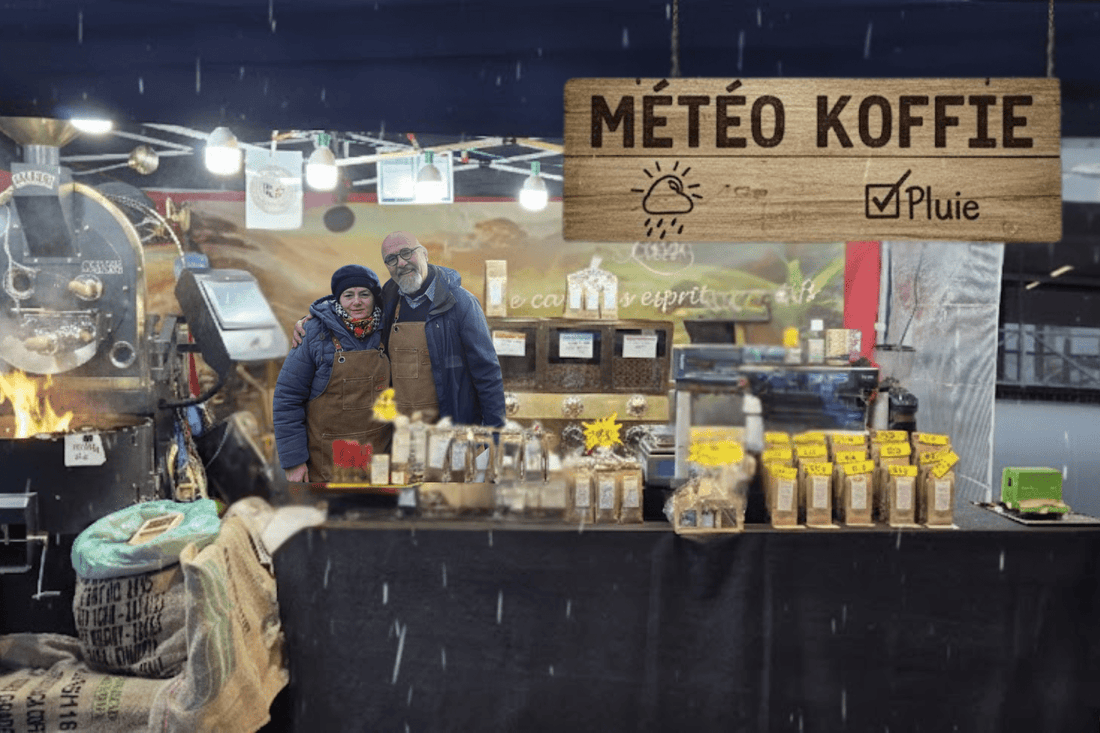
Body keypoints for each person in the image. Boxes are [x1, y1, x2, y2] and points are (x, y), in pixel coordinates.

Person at [292, 231, 505, 428]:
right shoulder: (388, 299)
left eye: (406, 253)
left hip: (449, 430)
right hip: (400, 433)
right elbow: (349, 308)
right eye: (391, 259)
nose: (401, 263)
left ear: (425, 255)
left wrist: (495, 436)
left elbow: (487, 373)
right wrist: (312, 319)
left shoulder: (460, 303)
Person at [274, 264, 392, 482]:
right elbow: (287, 398)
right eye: (348, 295)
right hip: (326, 464)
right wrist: (294, 462)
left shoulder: (390, 329)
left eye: (364, 294)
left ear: (375, 298)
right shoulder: (312, 333)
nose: (356, 301)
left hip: (380, 462)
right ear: (338, 299)